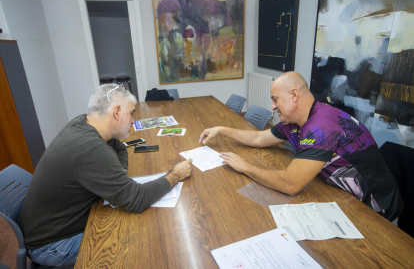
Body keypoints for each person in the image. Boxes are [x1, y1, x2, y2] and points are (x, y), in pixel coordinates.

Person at [18, 84, 193, 267]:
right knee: (137, 241)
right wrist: (175, 175)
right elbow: (137, 199)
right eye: (132, 113)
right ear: (117, 112)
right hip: (51, 244)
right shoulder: (90, 147)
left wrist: (119, 173)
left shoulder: (84, 123)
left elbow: (120, 148)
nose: (133, 121)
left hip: (55, 223)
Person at [199, 71, 403, 221]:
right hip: (341, 197)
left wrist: (245, 167)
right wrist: (222, 129)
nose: (272, 106)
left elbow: (290, 184)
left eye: (275, 99)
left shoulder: (322, 127)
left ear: (294, 95)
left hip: (377, 211)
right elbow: (259, 139)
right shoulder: (293, 123)